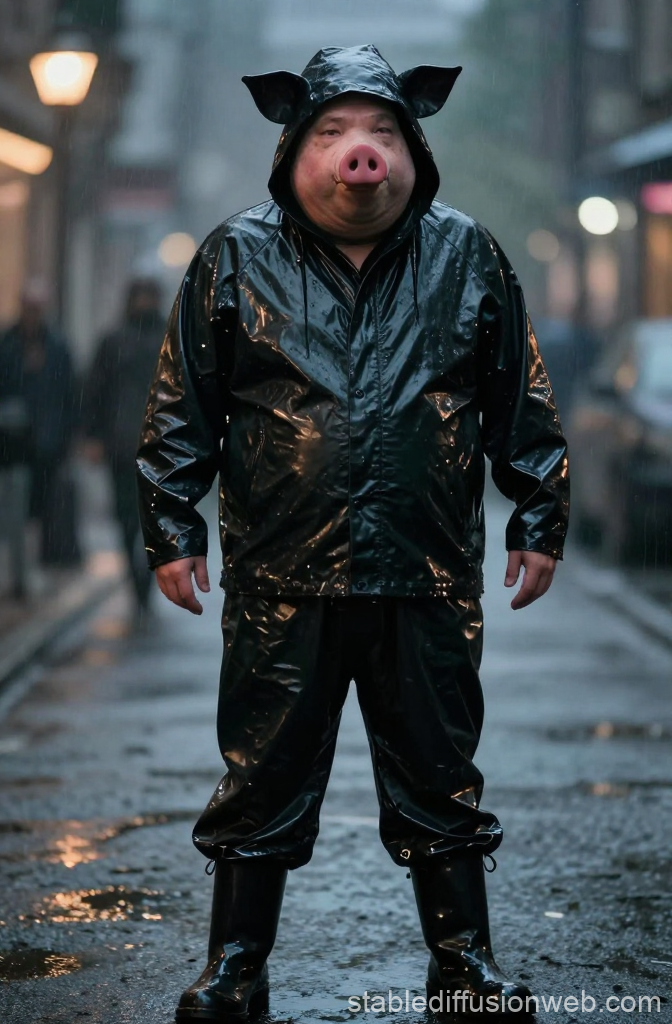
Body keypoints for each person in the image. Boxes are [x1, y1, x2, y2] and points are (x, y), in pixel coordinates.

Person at [137, 46, 569, 1021]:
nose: (358, 153)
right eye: (333, 134)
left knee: (440, 777)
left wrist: (539, 512)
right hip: (280, 574)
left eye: (378, 133)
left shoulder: (468, 253)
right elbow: (181, 407)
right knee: (261, 778)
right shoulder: (234, 255)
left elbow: (519, 398)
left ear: (412, 147)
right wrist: (172, 526)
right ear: (293, 147)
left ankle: (464, 966)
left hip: (425, 571)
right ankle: (236, 965)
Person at [83, 277, 165, 612]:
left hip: (157, 444)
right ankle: (137, 579)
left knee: (151, 517)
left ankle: (144, 580)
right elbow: (95, 391)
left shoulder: (168, 339)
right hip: (122, 443)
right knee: (125, 517)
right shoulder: (114, 341)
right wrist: (92, 436)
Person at [0, 280, 80, 567]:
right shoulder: (8, 343)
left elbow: (69, 394)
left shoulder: (57, 346)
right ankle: (18, 565)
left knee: (43, 506)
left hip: (47, 442)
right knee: (14, 506)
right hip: (12, 443)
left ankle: (36, 563)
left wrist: (70, 435)